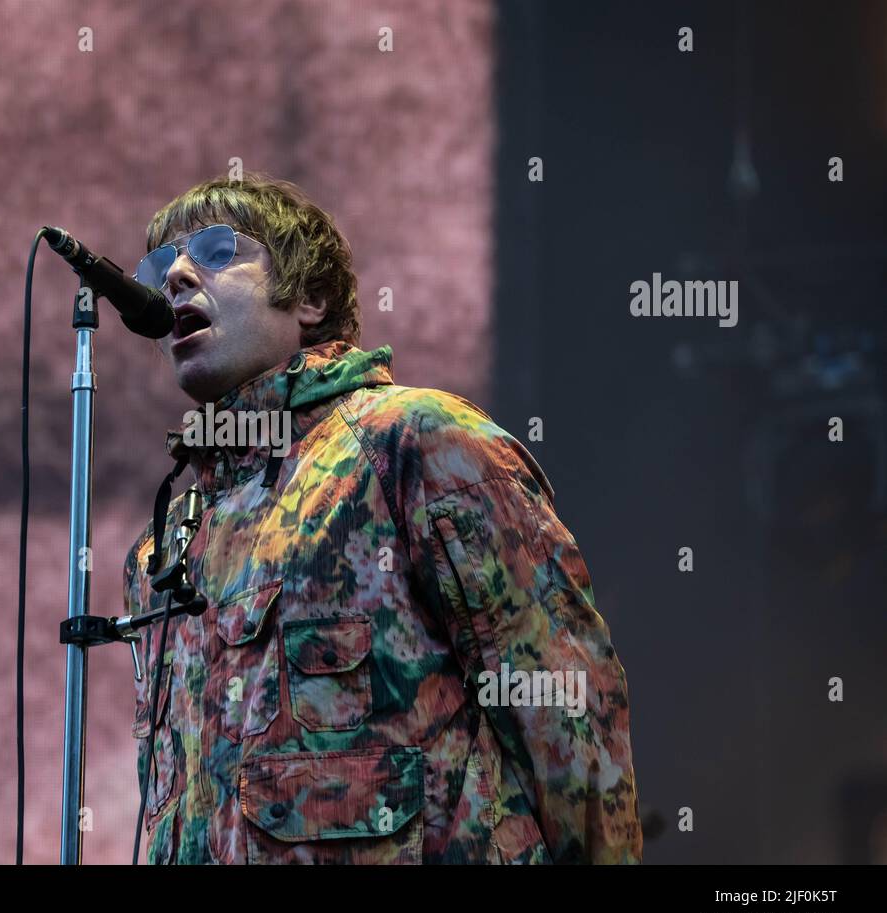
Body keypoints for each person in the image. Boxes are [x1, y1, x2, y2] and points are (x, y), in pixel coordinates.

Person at [122, 172, 642, 864]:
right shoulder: (165, 549)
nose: (177, 277)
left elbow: (564, 708)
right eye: (159, 267)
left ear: (311, 299)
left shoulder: (415, 440)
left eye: (220, 251)